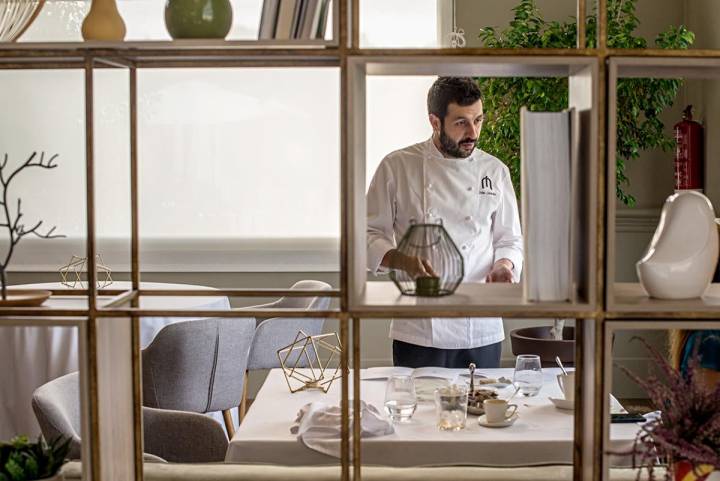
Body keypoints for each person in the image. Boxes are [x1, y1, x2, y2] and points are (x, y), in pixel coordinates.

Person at [366, 76, 523, 369]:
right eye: (461, 122)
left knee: (482, 410)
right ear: (435, 122)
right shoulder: (397, 166)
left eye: (478, 120)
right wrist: (403, 261)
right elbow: (367, 234)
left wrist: (505, 265)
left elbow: (510, 239)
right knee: (419, 411)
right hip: (421, 327)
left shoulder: (495, 170)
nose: (473, 132)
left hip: (481, 326)